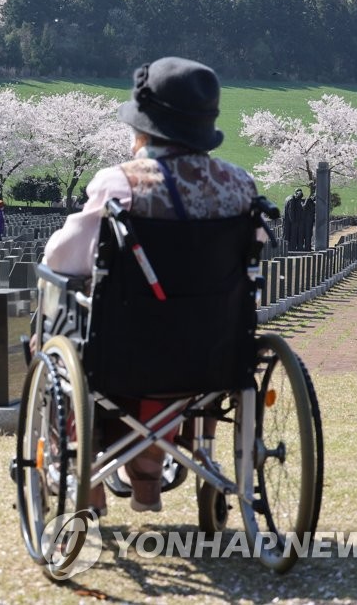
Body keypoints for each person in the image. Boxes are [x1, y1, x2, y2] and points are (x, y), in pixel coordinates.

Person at [43, 56, 257, 514]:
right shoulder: (239, 185)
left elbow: (64, 257)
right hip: (214, 351)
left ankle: (87, 466)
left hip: (127, 348)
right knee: (171, 346)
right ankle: (148, 471)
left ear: (143, 127)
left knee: (63, 324)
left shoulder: (120, 184)